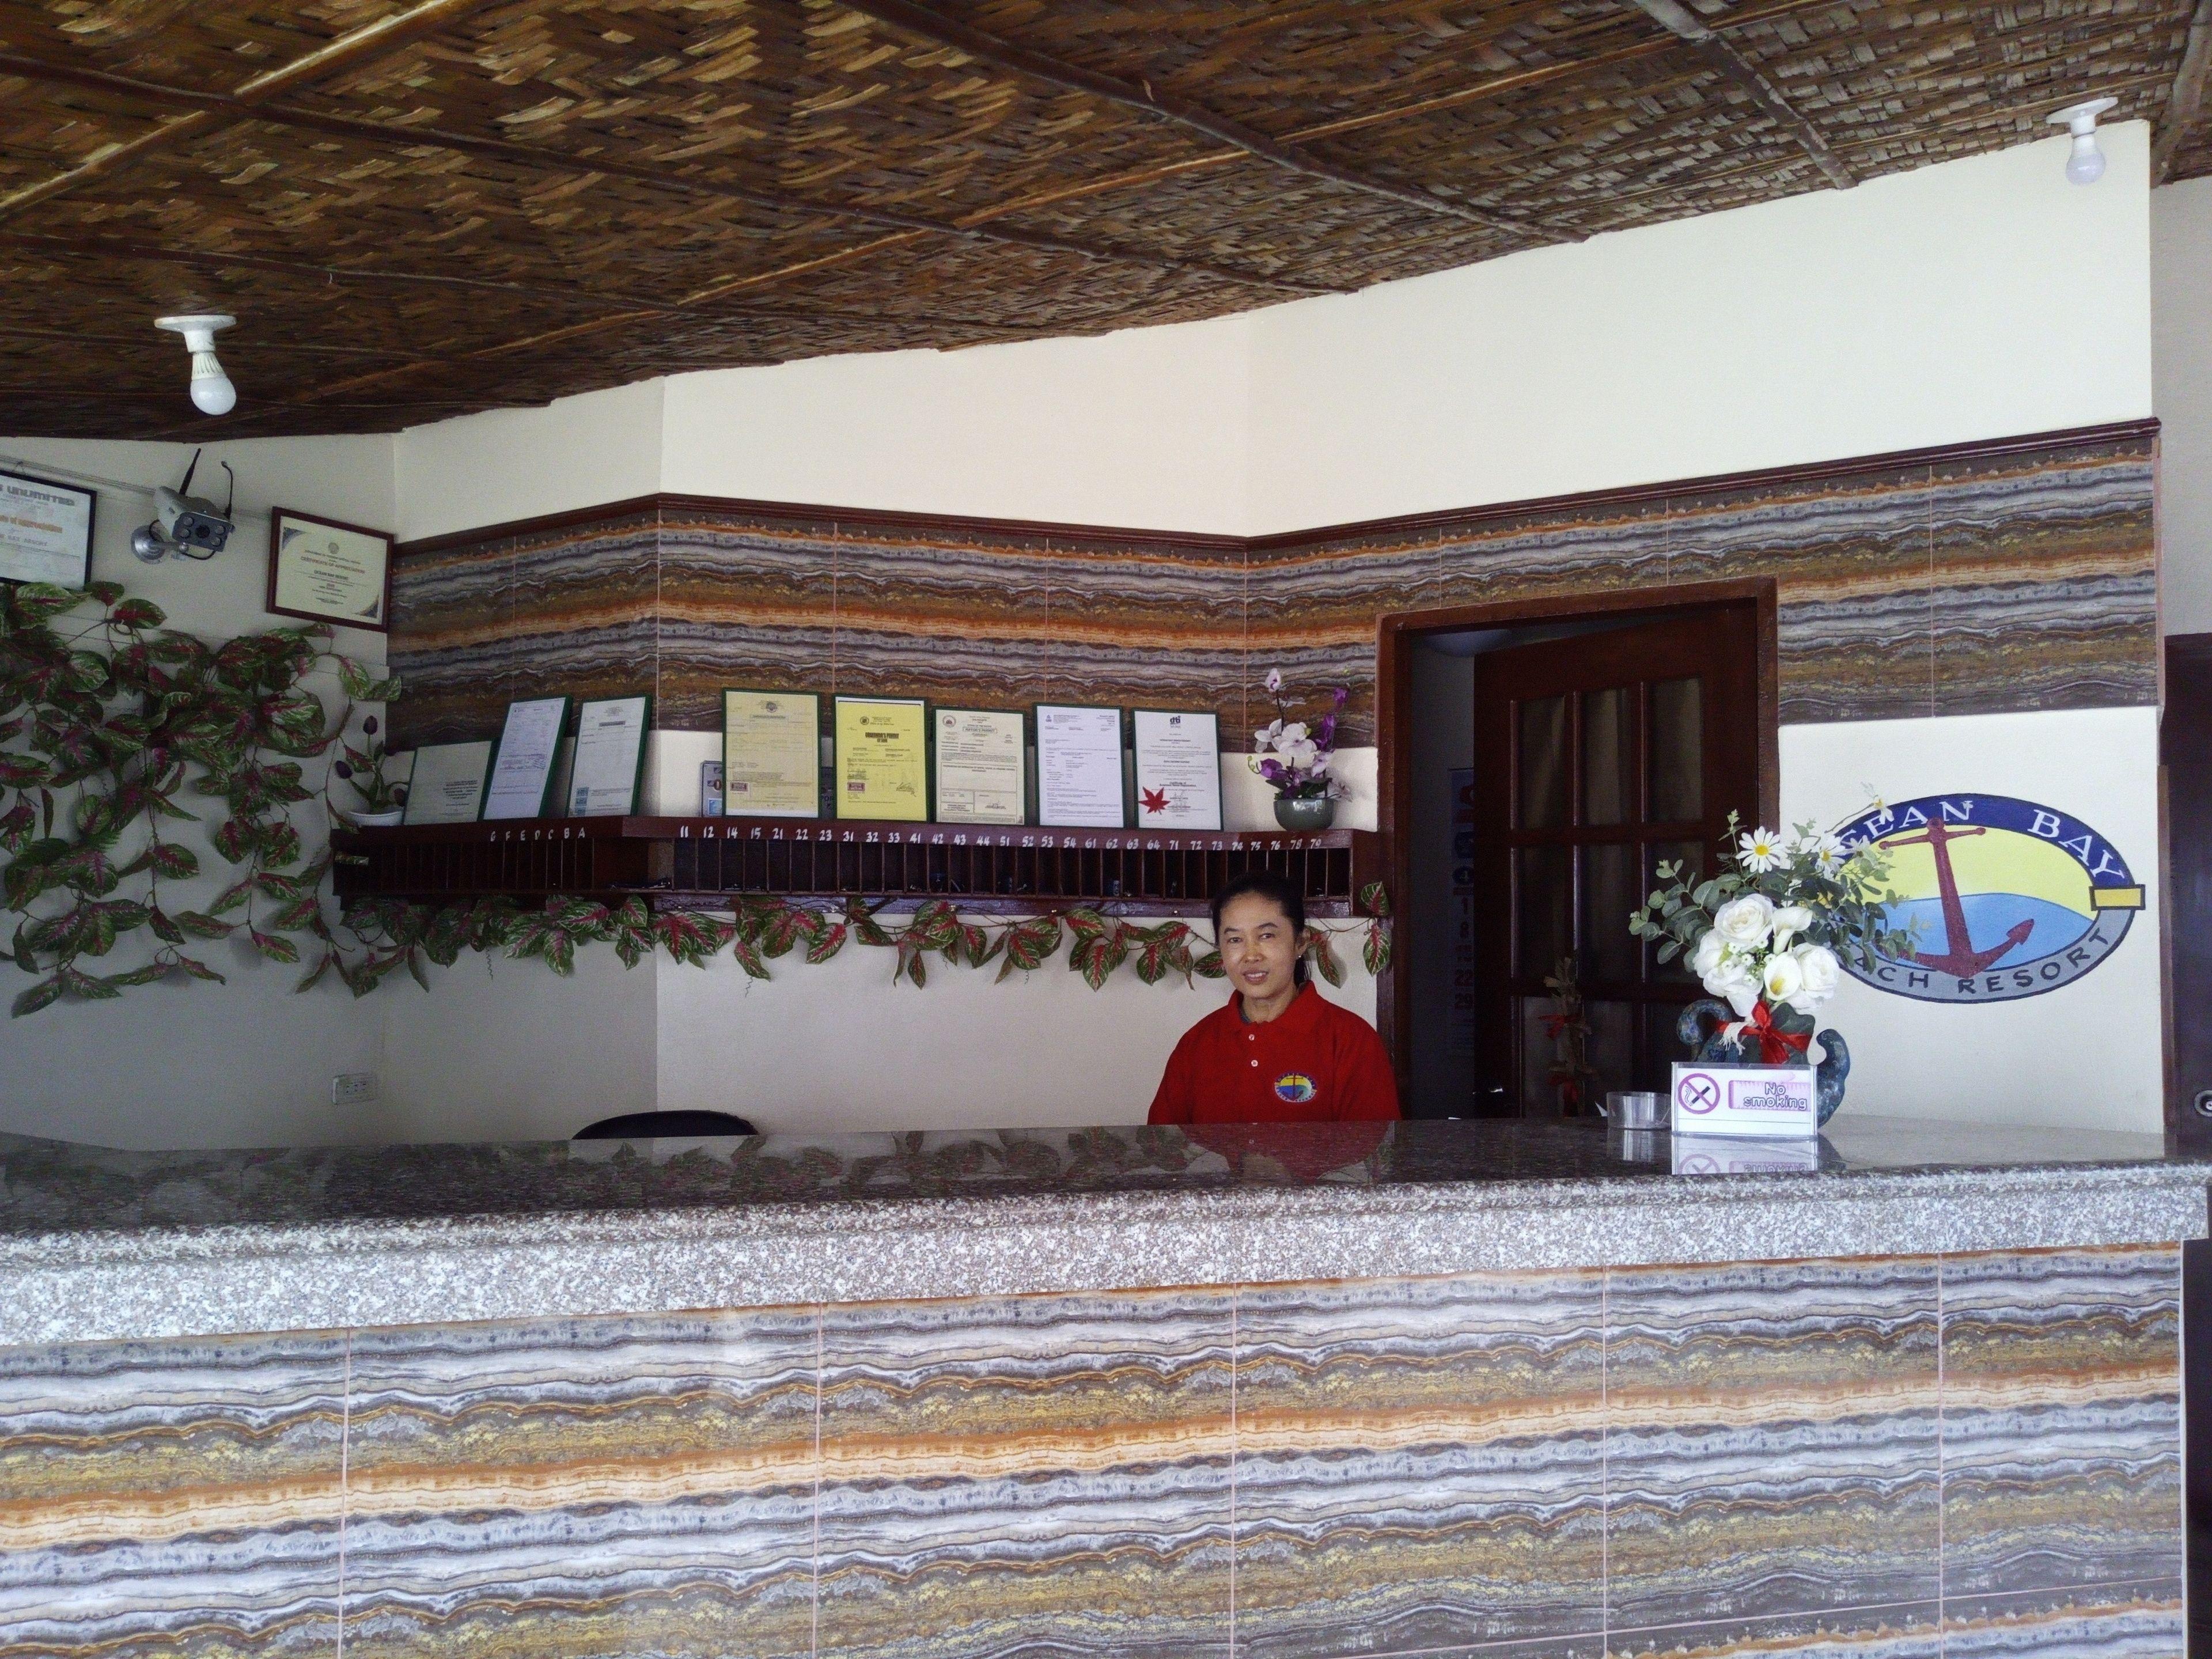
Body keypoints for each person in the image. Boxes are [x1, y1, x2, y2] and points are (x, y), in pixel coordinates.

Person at [1148, 869, 1402, 1124]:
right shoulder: (1195, 1045)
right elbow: (1163, 1145)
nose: (1251, 955)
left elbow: (1374, 1147)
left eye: (1266, 936)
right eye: (1235, 940)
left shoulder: (1351, 1041)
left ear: (1301, 942)